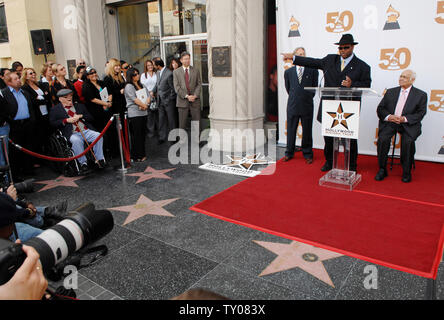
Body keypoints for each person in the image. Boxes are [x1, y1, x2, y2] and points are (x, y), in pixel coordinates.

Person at [282, 34, 371, 172]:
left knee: (350, 140)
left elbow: (366, 84)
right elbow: (312, 62)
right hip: (330, 106)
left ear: (352, 47)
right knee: (328, 138)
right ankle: (329, 161)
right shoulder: (330, 60)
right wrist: (293, 58)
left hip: (349, 108)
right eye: (340, 48)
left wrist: (353, 84)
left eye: (346, 47)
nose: (342, 50)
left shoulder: (362, 66)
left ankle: (352, 165)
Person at [375, 70, 427, 183]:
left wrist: (404, 119)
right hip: (391, 122)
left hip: (408, 124)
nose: (401, 78)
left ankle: (406, 171)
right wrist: (389, 117)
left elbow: (421, 113)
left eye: (404, 77)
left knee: (407, 142)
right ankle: (382, 169)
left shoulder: (421, 95)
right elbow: (380, 109)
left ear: (412, 80)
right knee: (383, 139)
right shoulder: (390, 92)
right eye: (400, 76)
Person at [49, 89, 107, 174]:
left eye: (70, 96)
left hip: (85, 130)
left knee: (98, 135)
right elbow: (53, 123)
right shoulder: (55, 110)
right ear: (60, 99)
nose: (69, 98)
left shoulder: (80, 106)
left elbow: (90, 118)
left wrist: (81, 116)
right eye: (66, 97)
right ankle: (83, 163)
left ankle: (99, 159)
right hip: (72, 133)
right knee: (77, 141)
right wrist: (66, 120)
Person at [284, 47, 319, 164]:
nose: (301, 56)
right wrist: (296, 97)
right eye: (299, 54)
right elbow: (289, 89)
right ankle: (289, 152)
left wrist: (306, 97)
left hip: (307, 105)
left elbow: (314, 88)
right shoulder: (288, 72)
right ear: (294, 56)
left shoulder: (313, 71)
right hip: (293, 105)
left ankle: (308, 153)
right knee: (291, 129)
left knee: (307, 131)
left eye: (303, 55)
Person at [1, 71, 36, 179]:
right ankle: (16, 174)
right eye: (15, 79)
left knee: (28, 147)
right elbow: (4, 111)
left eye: (18, 78)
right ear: (8, 82)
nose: (18, 80)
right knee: (14, 152)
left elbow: (31, 108)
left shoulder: (24, 92)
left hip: (27, 124)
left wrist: (32, 121)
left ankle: (28, 170)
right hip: (14, 126)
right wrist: (11, 121)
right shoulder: (4, 93)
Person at [21, 68, 52, 165]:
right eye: (30, 73)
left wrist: (42, 100)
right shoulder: (25, 88)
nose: (33, 75)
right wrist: (42, 100)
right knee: (37, 138)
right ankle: (38, 160)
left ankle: (48, 157)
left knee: (47, 137)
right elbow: (32, 101)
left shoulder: (40, 85)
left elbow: (47, 97)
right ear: (25, 76)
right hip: (36, 117)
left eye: (34, 72)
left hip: (46, 114)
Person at [173, 52, 202, 136]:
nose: (187, 60)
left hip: (195, 100)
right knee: (182, 124)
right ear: (181, 60)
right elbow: (177, 87)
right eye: (185, 59)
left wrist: (195, 95)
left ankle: (197, 140)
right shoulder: (176, 72)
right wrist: (186, 96)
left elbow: (199, 84)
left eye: (188, 58)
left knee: (197, 122)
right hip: (182, 101)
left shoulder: (195, 70)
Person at [124, 68, 149, 162]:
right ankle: (136, 155)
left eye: (138, 74)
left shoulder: (141, 84)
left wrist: (145, 105)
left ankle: (142, 154)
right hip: (134, 114)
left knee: (142, 135)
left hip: (143, 112)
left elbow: (148, 96)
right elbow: (134, 99)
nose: (137, 76)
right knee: (136, 135)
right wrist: (144, 106)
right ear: (130, 76)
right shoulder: (129, 86)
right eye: (135, 75)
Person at [152, 57, 176, 145]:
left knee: (171, 120)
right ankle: (162, 137)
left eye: (154, 65)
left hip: (168, 101)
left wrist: (169, 99)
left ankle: (173, 138)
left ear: (158, 65)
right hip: (159, 101)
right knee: (161, 120)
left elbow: (173, 89)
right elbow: (157, 84)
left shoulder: (169, 73)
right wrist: (153, 91)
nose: (153, 66)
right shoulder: (158, 73)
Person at [82, 66, 112, 132]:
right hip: (96, 113)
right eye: (91, 73)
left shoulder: (101, 82)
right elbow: (93, 99)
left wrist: (109, 102)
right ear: (87, 76)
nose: (94, 74)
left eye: (95, 72)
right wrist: (106, 104)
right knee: (101, 131)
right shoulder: (86, 86)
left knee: (111, 130)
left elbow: (110, 93)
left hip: (107, 110)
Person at [140, 60, 158, 138]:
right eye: (148, 65)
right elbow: (142, 86)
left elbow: (158, 84)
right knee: (149, 115)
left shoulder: (156, 74)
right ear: (146, 67)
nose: (150, 66)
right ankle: (151, 132)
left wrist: (153, 92)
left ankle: (159, 131)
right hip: (147, 97)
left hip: (156, 96)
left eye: (151, 65)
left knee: (158, 114)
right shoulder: (143, 75)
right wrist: (149, 93)